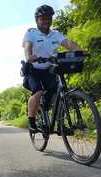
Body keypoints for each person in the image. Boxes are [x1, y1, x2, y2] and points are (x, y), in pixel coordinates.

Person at [22, 4, 84, 132]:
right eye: (43, 18)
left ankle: (60, 124)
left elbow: (68, 43)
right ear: (37, 20)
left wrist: (80, 51)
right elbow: (27, 46)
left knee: (58, 94)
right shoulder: (31, 33)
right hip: (34, 70)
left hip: (50, 69)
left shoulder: (55, 34)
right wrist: (29, 57)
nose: (46, 21)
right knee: (38, 92)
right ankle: (32, 121)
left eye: (49, 18)